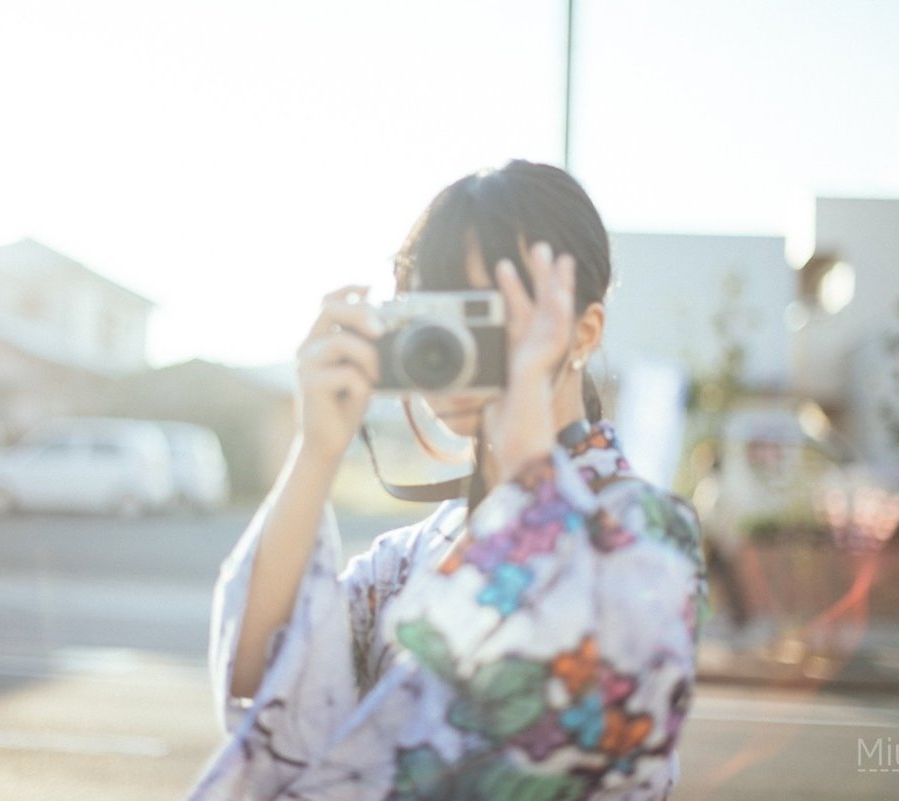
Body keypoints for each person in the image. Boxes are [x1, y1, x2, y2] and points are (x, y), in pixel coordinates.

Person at [188, 160, 708, 801]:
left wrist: (525, 461)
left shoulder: (650, 529)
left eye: (493, 312)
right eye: (440, 312)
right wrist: (316, 451)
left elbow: (591, 726)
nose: (460, 348)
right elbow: (258, 680)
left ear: (584, 331)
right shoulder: (406, 558)